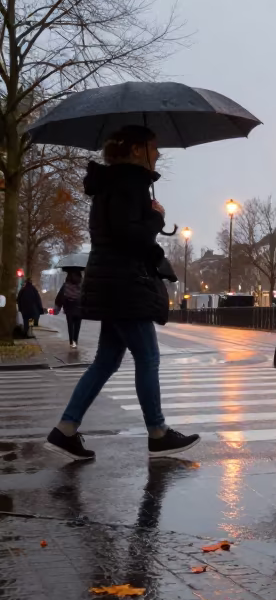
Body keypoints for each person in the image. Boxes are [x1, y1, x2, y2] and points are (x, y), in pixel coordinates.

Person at [44, 125, 199, 462]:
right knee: (148, 357)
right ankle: (157, 433)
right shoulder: (130, 183)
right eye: (153, 147)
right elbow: (130, 238)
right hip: (126, 284)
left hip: (111, 279)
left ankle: (66, 429)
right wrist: (156, 219)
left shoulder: (112, 184)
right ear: (135, 150)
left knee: (106, 361)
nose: (158, 153)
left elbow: (116, 232)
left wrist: (150, 215)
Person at [55, 270, 84, 349]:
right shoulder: (82, 285)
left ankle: (71, 342)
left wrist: (58, 306)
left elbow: (60, 296)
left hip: (69, 308)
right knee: (77, 326)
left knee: (70, 326)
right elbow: (86, 297)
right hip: (79, 308)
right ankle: (75, 341)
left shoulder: (66, 285)